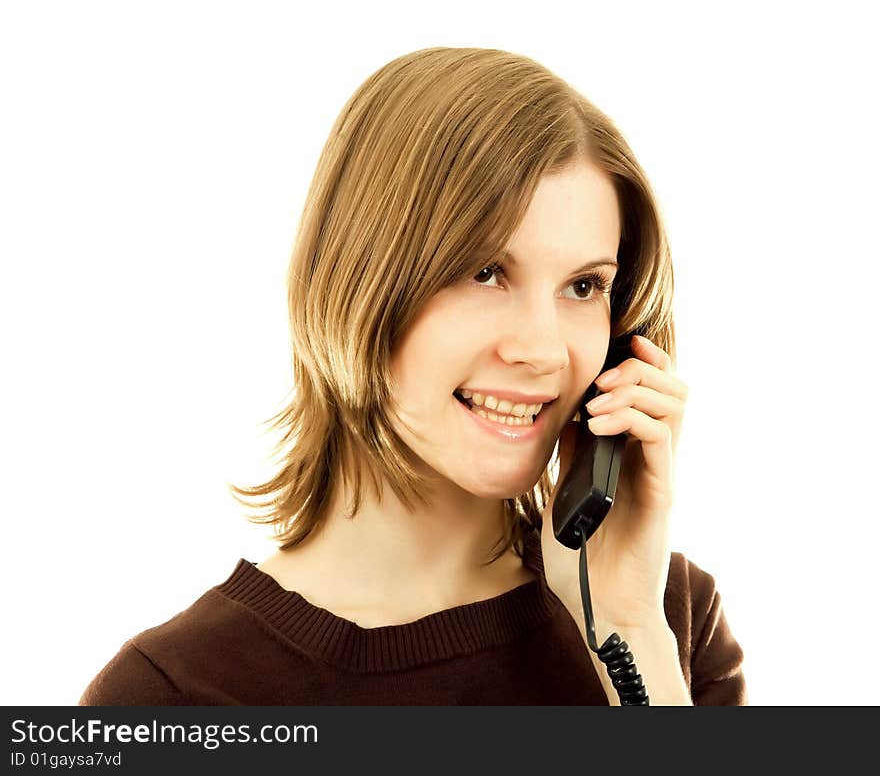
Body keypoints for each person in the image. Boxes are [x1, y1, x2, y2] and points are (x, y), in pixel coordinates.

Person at [79, 46, 747, 706]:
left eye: (583, 286)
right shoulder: (170, 697)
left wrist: (627, 635)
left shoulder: (669, 625)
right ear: (360, 284)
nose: (544, 351)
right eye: (486, 272)